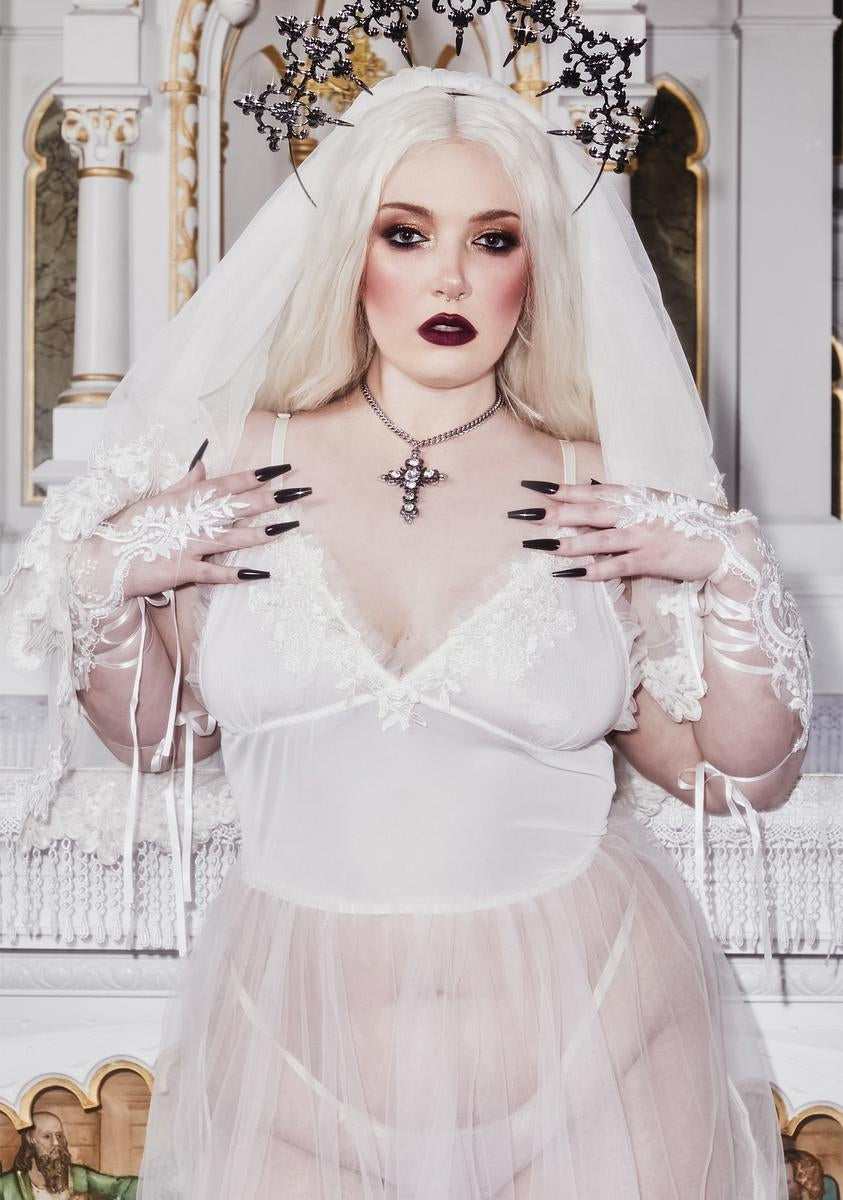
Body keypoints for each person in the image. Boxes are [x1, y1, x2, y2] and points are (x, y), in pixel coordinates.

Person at [0, 67, 811, 1197]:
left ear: (536, 265)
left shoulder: (599, 485)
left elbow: (733, 776)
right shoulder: (234, 462)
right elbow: (161, 740)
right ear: (353, 252)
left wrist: (733, 573)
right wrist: (105, 586)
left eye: (493, 239)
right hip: (291, 1059)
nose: (450, 276)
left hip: (600, 1049)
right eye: (407, 233)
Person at [0, 1112, 138, 1199]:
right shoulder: (7, 1186)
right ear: (30, 1140)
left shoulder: (79, 1177)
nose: (56, 1143)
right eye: (47, 1136)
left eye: (59, 1136)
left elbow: (125, 1187)